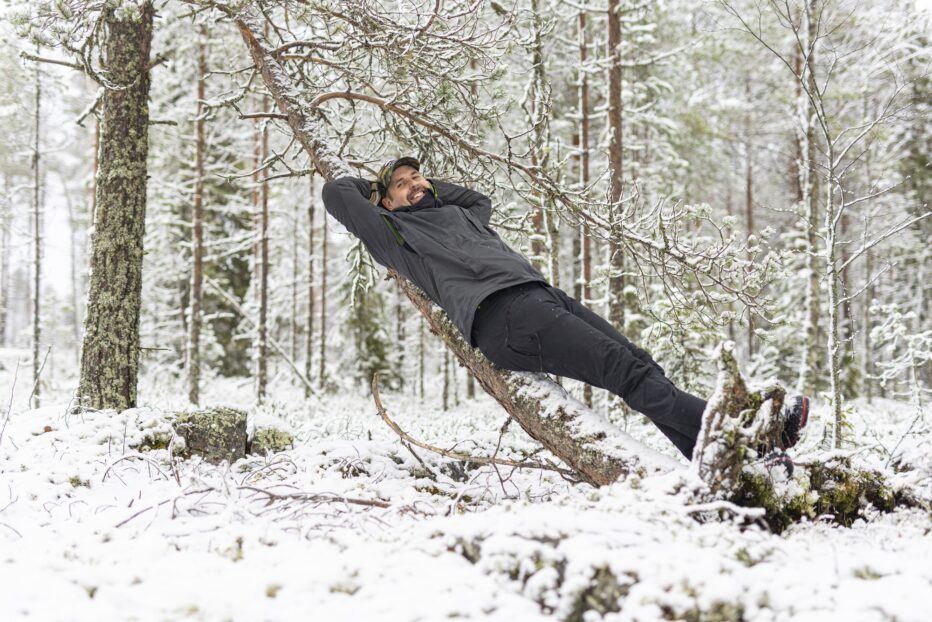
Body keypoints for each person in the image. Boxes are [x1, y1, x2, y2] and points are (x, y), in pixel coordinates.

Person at [321, 157, 809, 460]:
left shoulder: (461, 213)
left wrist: (422, 187)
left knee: (640, 362)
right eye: (401, 184)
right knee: (624, 370)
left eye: (417, 176)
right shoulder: (395, 237)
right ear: (383, 203)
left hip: (539, 294)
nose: (415, 185)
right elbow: (335, 192)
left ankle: (718, 462)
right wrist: (384, 192)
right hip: (502, 316)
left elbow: (478, 196)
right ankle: (749, 432)